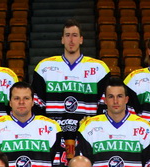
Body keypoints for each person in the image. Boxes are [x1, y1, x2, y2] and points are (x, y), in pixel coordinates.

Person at [73, 77, 150, 167]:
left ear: (126, 99)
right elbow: (82, 166)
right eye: (111, 97)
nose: (115, 101)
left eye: (119, 96)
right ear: (105, 100)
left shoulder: (145, 127)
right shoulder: (89, 127)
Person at [31, 19, 110, 154]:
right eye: (67, 35)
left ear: (81, 39)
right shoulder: (44, 67)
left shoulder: (99, 69)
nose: (71, 40)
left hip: (86, 136)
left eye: (75, 35)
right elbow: (37, 107)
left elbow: (104, 107)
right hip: (54, 137)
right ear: (62, 39)